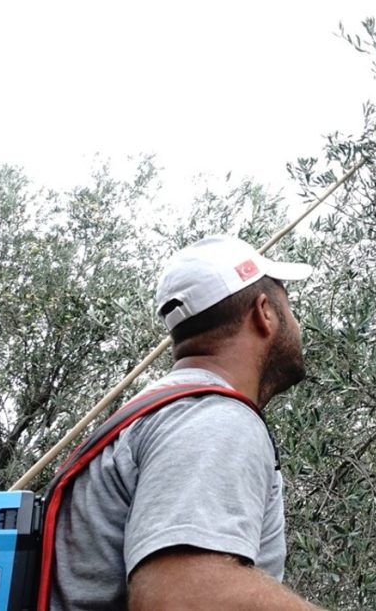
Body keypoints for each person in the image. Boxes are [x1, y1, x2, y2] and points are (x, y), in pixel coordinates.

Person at [51, 235, 324, 610]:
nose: (296, 323)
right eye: (289, 306)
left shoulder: (156, 412)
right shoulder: (212, 418)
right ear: (265, 312)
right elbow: (181, 597)